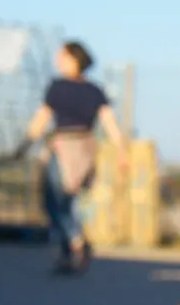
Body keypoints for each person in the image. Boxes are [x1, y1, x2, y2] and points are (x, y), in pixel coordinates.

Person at [24, 41, 128, 274]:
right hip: (85, 149)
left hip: (62, 148)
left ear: (74, 59)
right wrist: (121, 151)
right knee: (68, 201)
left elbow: (41, 118)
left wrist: (25, 143)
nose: (58, 60)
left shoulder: (57, 87)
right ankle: (68, 253)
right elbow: (110, 123)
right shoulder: (94, 90)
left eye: (62, 55)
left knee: (55, 202)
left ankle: (76, 242)